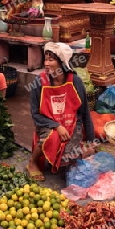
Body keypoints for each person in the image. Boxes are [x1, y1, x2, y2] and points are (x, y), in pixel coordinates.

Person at [26, 42, 95, 181]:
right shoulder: (39, 82)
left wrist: (91, 141)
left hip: (71, 122)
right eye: (45, 59)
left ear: (62, 63)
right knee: (52, 138)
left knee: (71, 155)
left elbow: (85, 113)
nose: (46, 63)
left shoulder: (75, 81)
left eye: (51, 60)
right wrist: (57, 126)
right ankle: (32, 162)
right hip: (47, 124)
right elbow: (35, 114)